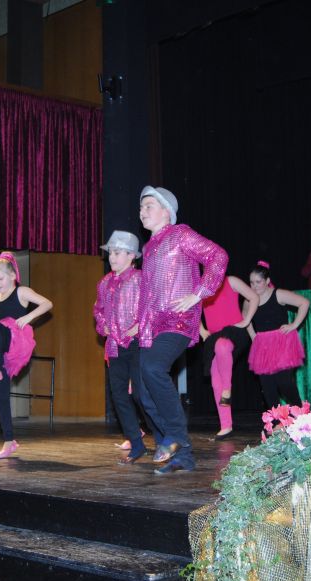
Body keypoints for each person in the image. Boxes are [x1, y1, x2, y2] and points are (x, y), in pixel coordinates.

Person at [137, 185, 228, 474]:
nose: (142, 211)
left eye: (149, 206)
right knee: (142, 391)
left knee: (153, 367)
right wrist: (141, 327)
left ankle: (175, 435)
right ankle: (182, 455)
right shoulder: (148, 248)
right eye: (141, 207)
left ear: (167, 212)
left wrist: (199, 293)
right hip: (152, 324)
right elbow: (147, 293)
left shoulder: (180, 234)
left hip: (178, 319)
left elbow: (218, 256)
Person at [0, 252, 53, 458]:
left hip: (16, 340)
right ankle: (9, 442)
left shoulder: (21, 292)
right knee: (1, 396)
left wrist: (29, 317)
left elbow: (47, 303)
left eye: (0, 278)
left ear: (12, 276)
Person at [93, 231, 154, 464]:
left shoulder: (140, 278)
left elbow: (152, 306)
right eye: (110, 253)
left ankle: (164, 437)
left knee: (140, 394)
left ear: (131, 256)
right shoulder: (104, 283)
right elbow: (98, 310)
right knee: (118, 395)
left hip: (137, 343)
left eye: (117, 253)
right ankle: (136, 444)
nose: (112, 257)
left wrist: (140, 325)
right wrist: (103, 326)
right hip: (115, 345)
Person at [200, 274, 259, 440]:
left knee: (222, 346)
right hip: (214, 336)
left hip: (235, 332)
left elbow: (254, 297)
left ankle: (227, 388)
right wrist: (202, 330)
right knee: (215, 379)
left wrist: (246, 321)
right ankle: (226, 425)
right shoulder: (201, 288)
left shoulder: (231, 281)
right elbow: (192, 310)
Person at [246, 262, 308, 408]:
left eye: (258, 282)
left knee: (284, 381)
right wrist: (253, 336)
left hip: (282, 342)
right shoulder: (250, 300)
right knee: (267, 386)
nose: (254, 286)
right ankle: (275, 418)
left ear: (267, 281)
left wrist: (294, 325)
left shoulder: (278, 294)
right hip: (263, 345)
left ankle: (300, 412)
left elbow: (304, 303)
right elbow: (245, 318)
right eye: (251, 283)